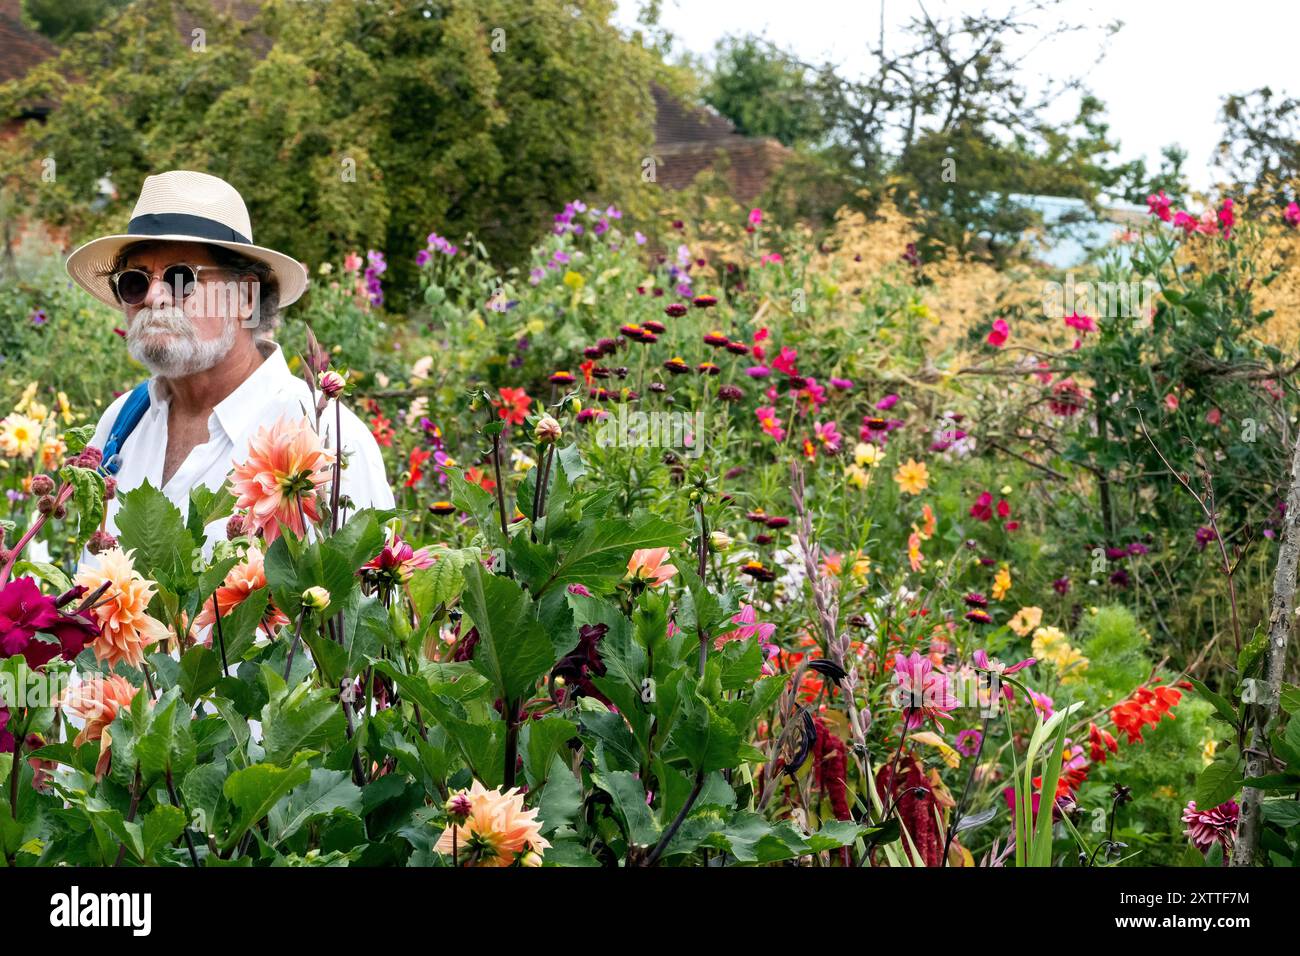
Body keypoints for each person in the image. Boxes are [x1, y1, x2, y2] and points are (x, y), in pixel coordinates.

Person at [64, 170, 394, 552]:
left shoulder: (324, 440)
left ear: (246, 298)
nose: (153, 297)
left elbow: (369, 605)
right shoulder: (122, 422)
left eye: (180, 277)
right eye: (134, 281)